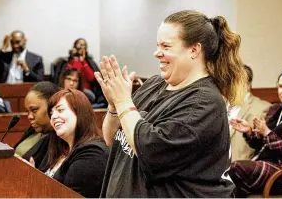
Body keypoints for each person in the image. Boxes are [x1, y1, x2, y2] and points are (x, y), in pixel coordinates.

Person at [96, 10, 247, 197]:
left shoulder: (203, 102)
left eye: (166, 46)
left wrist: (123, 101)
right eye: (157, 45)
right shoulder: (154, 84)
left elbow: (150, 151)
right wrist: (113, 107)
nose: (157, 53)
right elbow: (113, 140)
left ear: (194, 50)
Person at [229, 67, 282, 197]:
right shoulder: (275, 109)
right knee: (228, 183)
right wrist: (249, 132)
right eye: (281, 86)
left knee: (235, 168)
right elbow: (258, 143)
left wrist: (268, 133)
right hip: (262, 164)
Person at [32, 89, 109, 197]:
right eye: (51, 113)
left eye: (60, 110)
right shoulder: (59, 148)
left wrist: (33, 183)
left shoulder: (93, 154)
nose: (53, 117)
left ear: (80, 112)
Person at [229, 65, 271, 161]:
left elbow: (260, 143)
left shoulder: (263, 108)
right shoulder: (221, 104)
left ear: (248, 85)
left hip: (242, 165)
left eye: (235, 82)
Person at [14, 82, 61, 161]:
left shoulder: (58, 141)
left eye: (34, 110)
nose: (29, 117)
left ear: (52, 106)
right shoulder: (33, 130)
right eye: (28, 111)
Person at [67, 38, 107, 108]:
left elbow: (91, 78)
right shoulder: (69, 61)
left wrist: (83, 61)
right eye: (80, 44)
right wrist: (76, 60)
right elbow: (74, 75)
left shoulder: (88, 62)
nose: (81, 47)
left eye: (83, 45)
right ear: (75, 46)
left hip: (87, 91)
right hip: (72, 90)